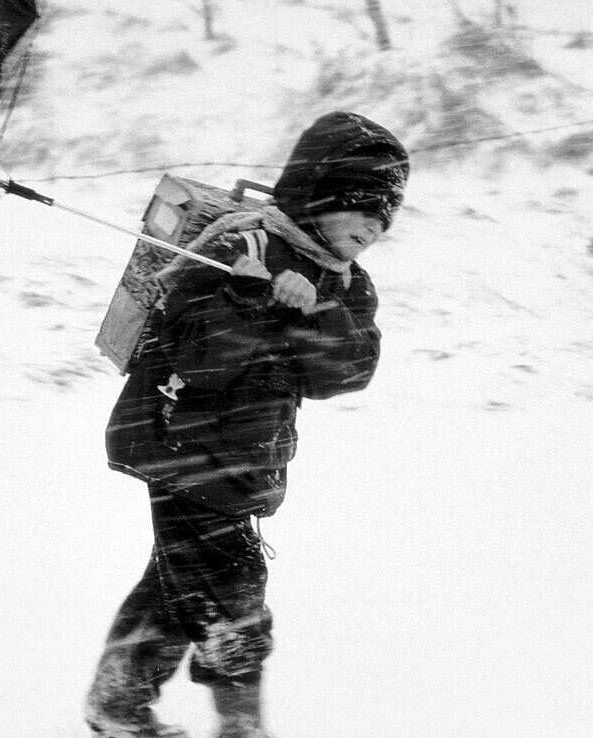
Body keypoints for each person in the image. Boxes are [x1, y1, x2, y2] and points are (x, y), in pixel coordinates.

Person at [85, 111, 409, 738]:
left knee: (179, 584)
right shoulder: (241, 244)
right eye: (362, 206)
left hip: (247, 456)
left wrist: (311, 312)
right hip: (183, 446)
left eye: (385, 216)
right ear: (319, 196)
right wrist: (247, 297)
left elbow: (348, 372)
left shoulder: (346, 281)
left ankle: (116, 704)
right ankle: (241, 729)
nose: (374, 225)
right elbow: (198, 361)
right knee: (233, 595)